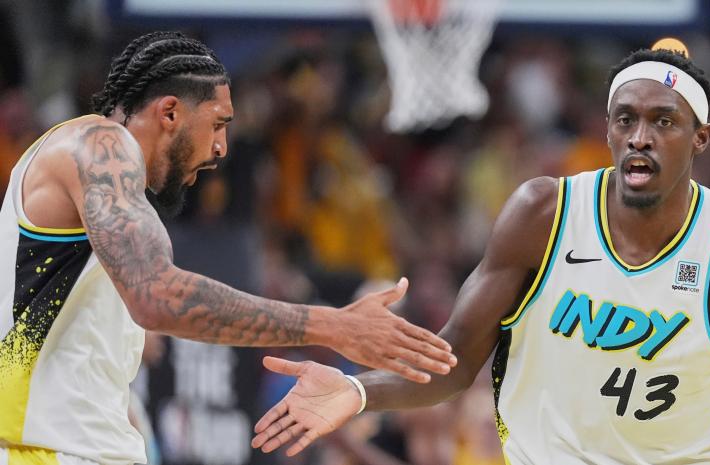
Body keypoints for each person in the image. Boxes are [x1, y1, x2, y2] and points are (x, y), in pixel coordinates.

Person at [252, 46, 710, 464]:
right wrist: (357, 391)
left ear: (701, 137)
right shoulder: (543, 215)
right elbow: (455, 361)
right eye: (626, 119)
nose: (641, 137)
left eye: (664, 122)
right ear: (608, 131)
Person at [0, 31, 456, 465]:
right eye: (218, 124)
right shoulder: (101, 146)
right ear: (170, 113)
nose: (221, 148)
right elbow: (158, 296)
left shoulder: (104, 181)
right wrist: (333, 325)